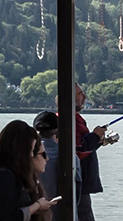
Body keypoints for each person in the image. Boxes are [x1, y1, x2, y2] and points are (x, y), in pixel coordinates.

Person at [0, 120, 57, 221]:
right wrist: (37, 206)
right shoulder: (2, 178)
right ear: (20, 150)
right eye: (30, 150)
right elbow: (10, 217)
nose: (31, 155)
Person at [33, 111, 81, 219]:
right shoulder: (71, 157)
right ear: (58, 131)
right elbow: (77, 190)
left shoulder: (29, 157)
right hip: (64, 214)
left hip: (38, 214)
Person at [72, 85, 106, 221]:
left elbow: (83, 148)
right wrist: (95, 136)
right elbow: (78, 149)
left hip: (81, 182)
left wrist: (98, 140)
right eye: (80, 94)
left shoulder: (75, 119)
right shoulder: (69, 121)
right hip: (78, 182)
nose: (84, 97)